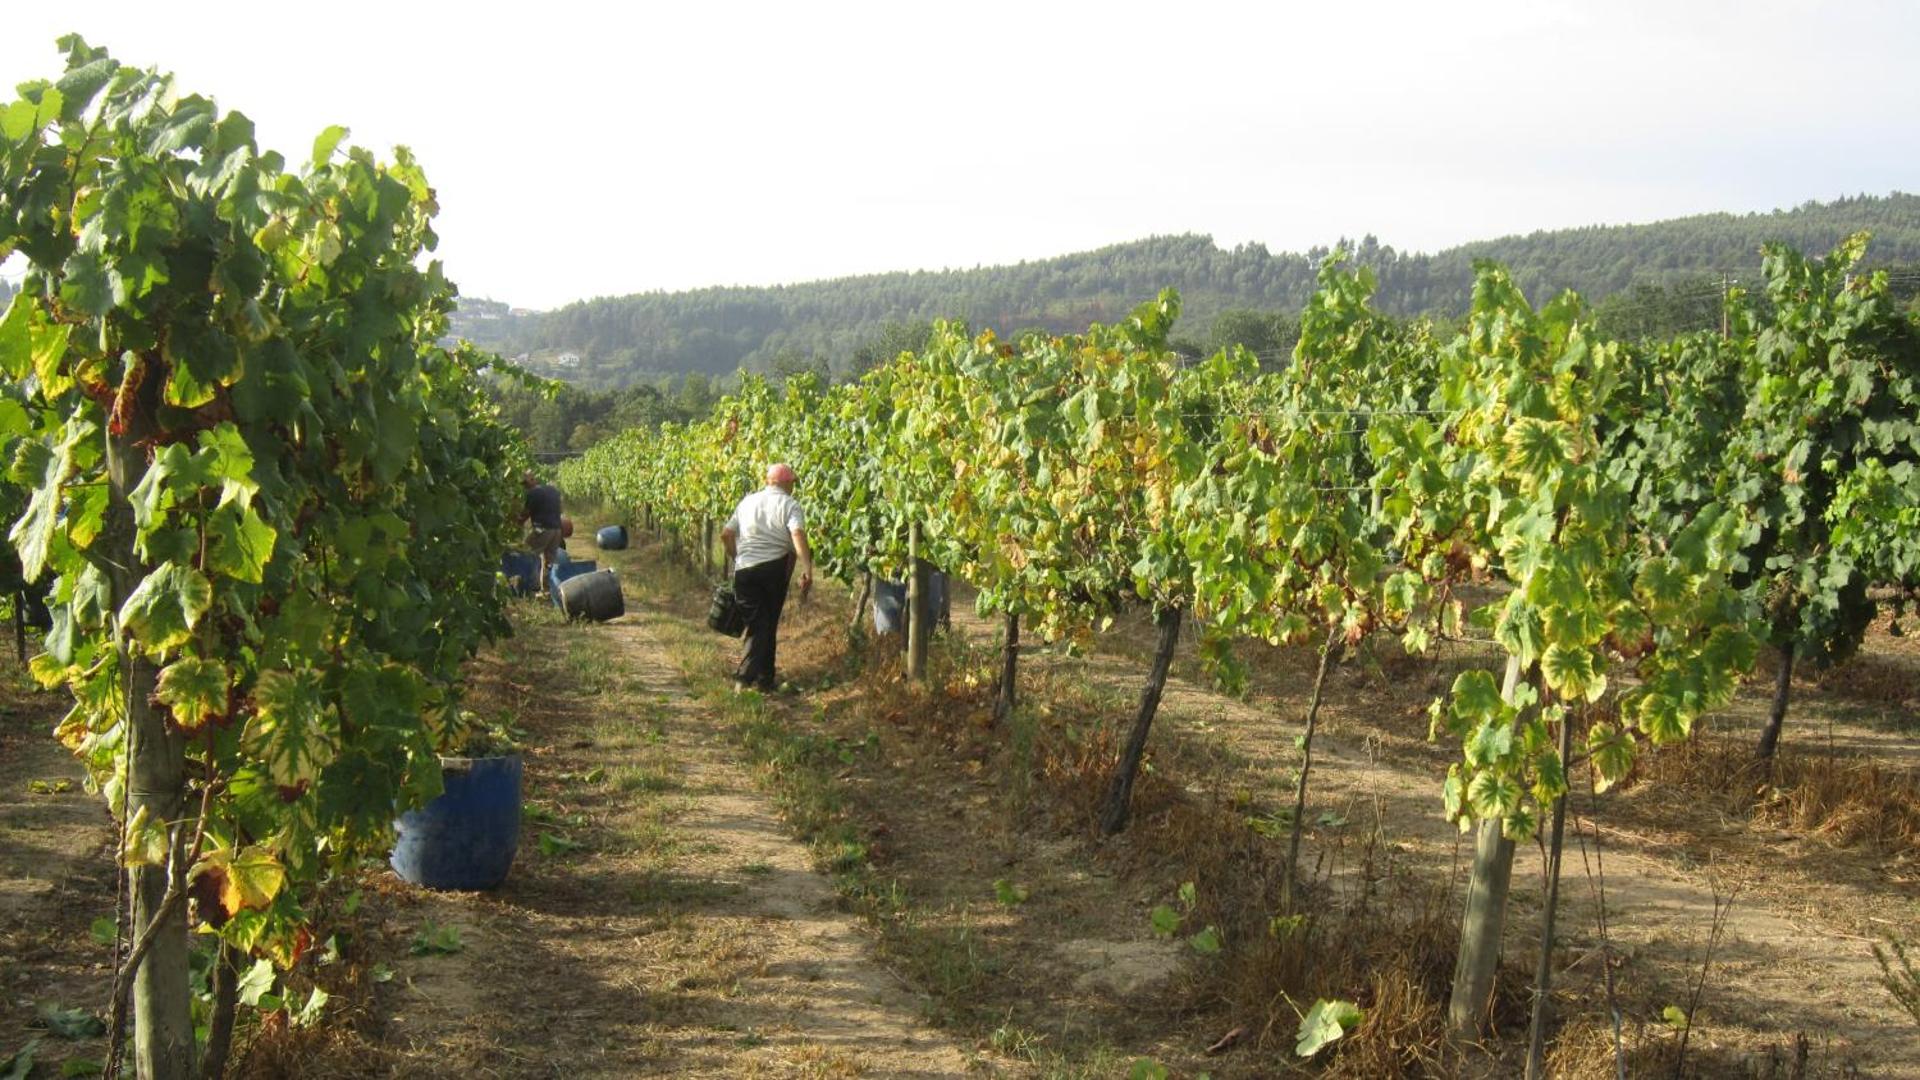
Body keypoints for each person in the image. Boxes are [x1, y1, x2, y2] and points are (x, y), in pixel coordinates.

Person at [721, 463, 813, 692]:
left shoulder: (747, 502)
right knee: (762, 624)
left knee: (764, 623)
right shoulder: (790, 504)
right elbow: (797, 533)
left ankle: (765, 679)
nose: (793, 487)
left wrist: (737, 557)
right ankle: (743, 679)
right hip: (773, 569)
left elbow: (726, 534)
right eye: (792, 483)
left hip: (745, 571)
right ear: (787, 483)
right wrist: (807, 568)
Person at [521, 471, 565, 584]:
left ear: (532, 480)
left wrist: (514, 520)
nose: (525, 487)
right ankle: (548, 588)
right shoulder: (552, 490)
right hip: (557, 530)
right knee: (549, 562)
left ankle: (531, 584)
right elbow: (561, 510)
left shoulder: (533, 493)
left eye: (525, 483)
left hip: (542, 529)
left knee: (527, 552)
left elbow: (525, 515)